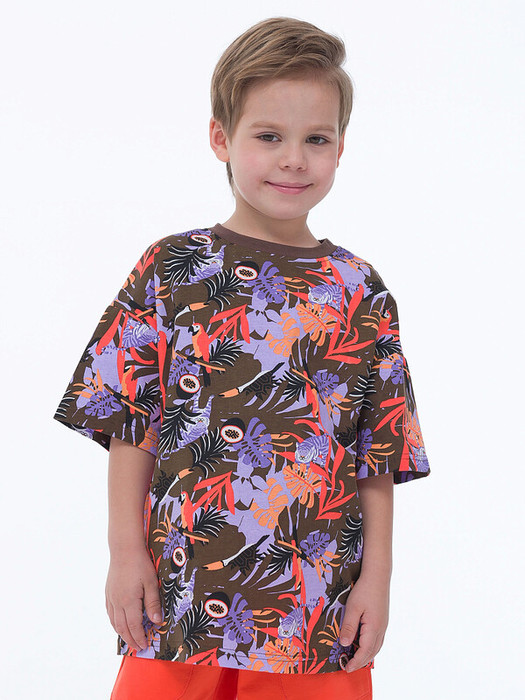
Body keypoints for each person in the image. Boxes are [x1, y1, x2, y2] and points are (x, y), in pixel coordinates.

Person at [53, 16, 431, 700]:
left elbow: (378, 452)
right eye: (269, 136)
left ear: (341, 147)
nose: (294, 159)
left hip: (313, 611)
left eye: (316, 139)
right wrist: (124, 553)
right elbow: (130, 422)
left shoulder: (358, 289)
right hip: (182, 599)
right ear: (220, 138)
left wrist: (376, 579)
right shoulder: (172, 268)